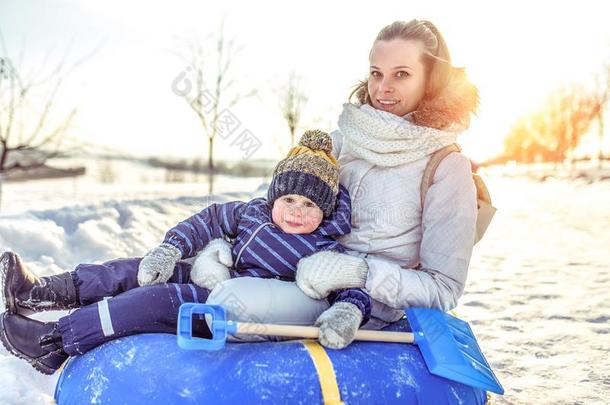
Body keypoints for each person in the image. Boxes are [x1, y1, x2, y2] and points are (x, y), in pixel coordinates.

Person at [203, 18, 480, 349]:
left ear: (432, 82)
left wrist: (358, 273)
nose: (383, 88)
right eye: (376, 73)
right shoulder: (341, 142)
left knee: (229, 303)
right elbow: (279, 203)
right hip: (285, 268)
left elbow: (443, 288)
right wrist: (226, 243)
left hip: (360, 304)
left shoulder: (447, 168)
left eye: (401, 74)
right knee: (188, 263)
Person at [0, 130, 371, 374]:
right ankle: (39, 292)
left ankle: (54, 343)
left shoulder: (324, 245)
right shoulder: (251, 213)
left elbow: (351, 286)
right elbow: (207, 221)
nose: (295, 211)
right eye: (288, 198)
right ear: (274, 194)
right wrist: (171, 248)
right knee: (128, 270)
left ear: (325, 209)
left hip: (225, 305)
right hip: (209, 273)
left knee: (151, 300)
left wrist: (347, 311)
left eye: (309, 204)